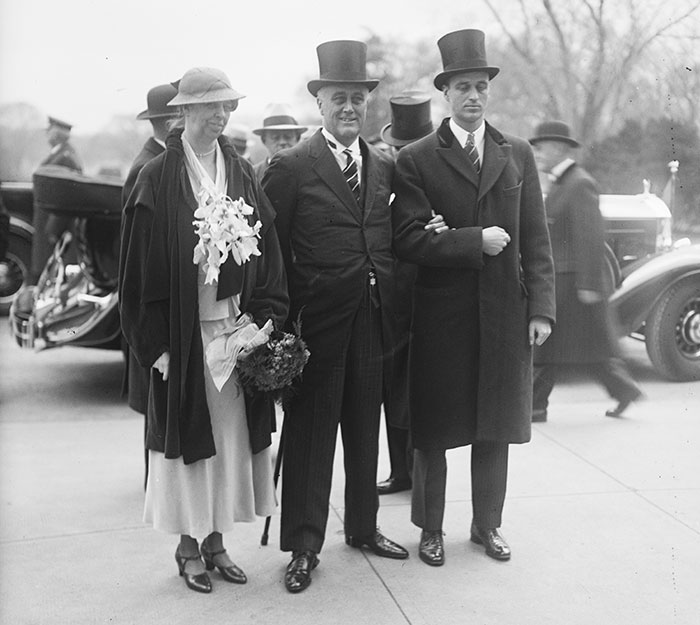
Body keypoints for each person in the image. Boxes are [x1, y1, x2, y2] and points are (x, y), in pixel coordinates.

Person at [119, 67, 289, 594]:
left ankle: (216, 542)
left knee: (228, 440)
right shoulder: (158, 177)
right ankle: (188, 547)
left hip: (231, 330)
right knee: (190, 442)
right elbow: (136, 272)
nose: (220, 116)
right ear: (183, 111)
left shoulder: (238, 169)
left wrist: (265, 321)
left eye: (227, 107)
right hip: (184, 334)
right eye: (210, 107)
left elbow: (269, 248)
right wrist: (156, 347)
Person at [391, 29, 555, 567]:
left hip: (505, 312)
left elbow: (536, 238)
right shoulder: (416, 159)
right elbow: (409, 239)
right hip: (442, 315)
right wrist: (471, 240)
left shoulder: (518, 154)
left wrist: (542, 310)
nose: (473, 96)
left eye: (481, 86)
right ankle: (431, 530)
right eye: (462, 86)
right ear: (445, 93)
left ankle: (487, 525)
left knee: (495, 428)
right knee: (435, 429)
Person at [262, 39, 409, 594]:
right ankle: (303, 545)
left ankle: (365, 528)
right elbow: (270, 253)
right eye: (338, 98)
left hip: (372, 319)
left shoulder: (383, 164)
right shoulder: (292, 166)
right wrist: (277, 326)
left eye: (358, 98)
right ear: (319, 104)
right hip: (315, 328)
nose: (349, 108)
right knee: (311, 434)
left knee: (364, 430)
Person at [529, 120, 642, 421]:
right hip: (566, 282)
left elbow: (590, 237)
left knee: (560, 348)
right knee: (584, 350)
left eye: (541, 148)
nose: (537, 154)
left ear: (558, 148)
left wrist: (589, 285)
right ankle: (623, 391)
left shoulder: (579, 183)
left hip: (576, 285)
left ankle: (535, 407)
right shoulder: (564, 182)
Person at [376, 92, 435, 496]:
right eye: (398, 149)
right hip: (389, 299)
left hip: (428, 296)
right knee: (392, 389)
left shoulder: (436, 176)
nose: (402, 156)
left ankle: (419, 472)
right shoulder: (380, 179)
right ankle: (400, 471)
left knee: (422, 392)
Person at [121, 82, 179, 487]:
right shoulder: (148, 168)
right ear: (168, 120)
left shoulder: (158, 160)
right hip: (149, 304)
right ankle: (154, 485)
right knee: (158, 405)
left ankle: (155, 482)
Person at [16, 116, 83, 311]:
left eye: (50, 129)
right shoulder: (60, 154)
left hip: (54, 229)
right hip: (48, 226)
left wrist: (53, 231)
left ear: (58, 133)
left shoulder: (66, 158)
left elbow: (66, 197)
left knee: (53, 276)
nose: (47, 132)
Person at [252, 103, 307, 180]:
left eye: (288, 137)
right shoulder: (252, 175)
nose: (282, 142)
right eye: (275, 137)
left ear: (297, 138)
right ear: (264, 140)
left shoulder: (310, 172)